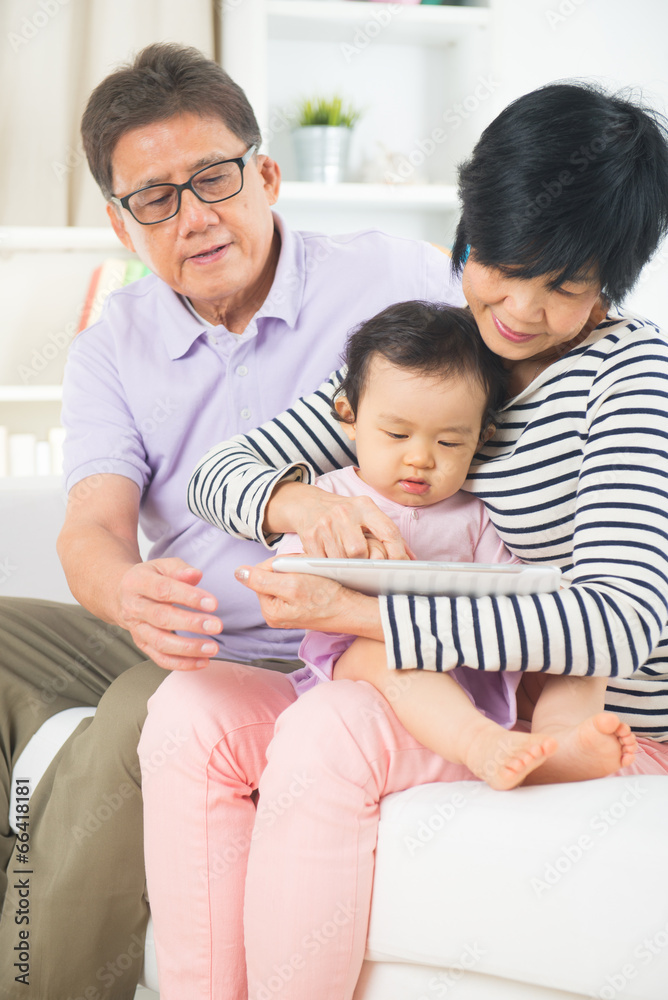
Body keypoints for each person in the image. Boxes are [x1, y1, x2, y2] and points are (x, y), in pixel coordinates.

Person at [174, 81, 668, 998]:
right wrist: (300, 505)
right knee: (188, 713)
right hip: (467, 692)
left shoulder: (632, 378)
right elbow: (219, 473)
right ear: (467, 231)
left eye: (563, 287)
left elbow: (622, 620)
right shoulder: (447, 344)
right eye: (499, 263)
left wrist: (365, 618)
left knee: (327, 732)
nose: (518, 309)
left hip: (597, 721)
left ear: (612, 282)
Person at [0, 43, 461, 1000]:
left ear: (267, 173)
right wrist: (126, 592)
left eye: (213, 178)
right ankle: (45, 764)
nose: (195, 216)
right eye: (154, 199)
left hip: (323, 646)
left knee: (144, 711)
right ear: (124, 224)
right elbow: (93, 528)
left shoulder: (392, 281)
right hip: (178, 630)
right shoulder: (111, 347)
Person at [276, 300, 638, 787]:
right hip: (366, 655)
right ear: (349, 416)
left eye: (449, 443)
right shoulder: (330, 498)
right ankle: (479, 743)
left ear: (482, 437)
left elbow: (516, 588)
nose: (421, 459)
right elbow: (292, 581)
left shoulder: (476, 511)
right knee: (385, 653)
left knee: (578, 661)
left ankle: (559, 743)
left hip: (469, 657)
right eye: (397, 434)